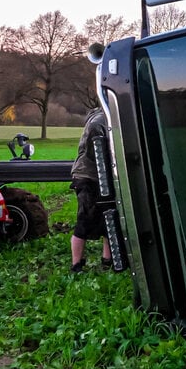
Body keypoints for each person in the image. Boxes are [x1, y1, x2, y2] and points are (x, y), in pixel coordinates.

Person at [69, 107, 112, 273]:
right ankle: (76, 265)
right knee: (85, 219)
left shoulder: (109, 118)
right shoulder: (98, 122)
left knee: (108, 217)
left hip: (103, 176)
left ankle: (108, 260)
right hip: (88, 176)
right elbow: (96, 153)